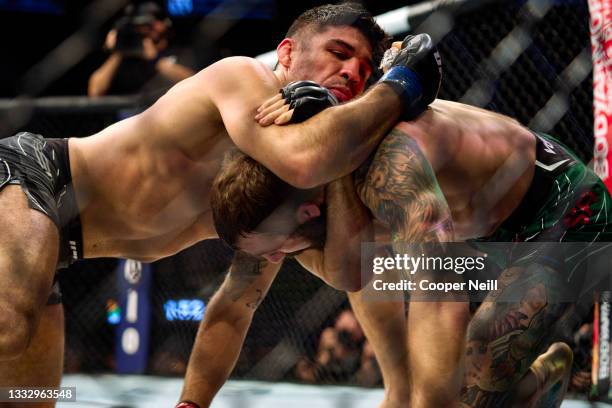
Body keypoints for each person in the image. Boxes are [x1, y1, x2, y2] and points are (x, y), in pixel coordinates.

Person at [0, 2, 445, 403]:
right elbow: (305, 157)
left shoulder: (285, 193)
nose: (352, 72)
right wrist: (398, 85)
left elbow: (239, 303)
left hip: (62, 249)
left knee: (28, 398)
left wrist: (192, 404)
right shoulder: (242, 78)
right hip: (34, 179)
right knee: (10, 328)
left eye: (366, 69)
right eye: (339, 53)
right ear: (287, 54)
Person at [205, 91, 612, 407]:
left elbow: (438, 292)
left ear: (306, 210)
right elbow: (351, 274)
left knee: (467, 385)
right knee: (465, 383)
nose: (276, 259)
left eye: (276, 249)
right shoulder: (314, 188)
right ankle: (528, 381)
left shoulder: (387, 169)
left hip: (565, 210)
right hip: (488, 232)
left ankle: (524, 382)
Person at [88, 1, 195, 97]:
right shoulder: (126, 57)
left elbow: (193, 82)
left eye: (148, 24)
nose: (144, 29)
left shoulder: (179, 49)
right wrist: (118, 51)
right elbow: (95, 92)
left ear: (162, 23)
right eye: (138, 25)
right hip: (132, 114)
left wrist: (155, 59)